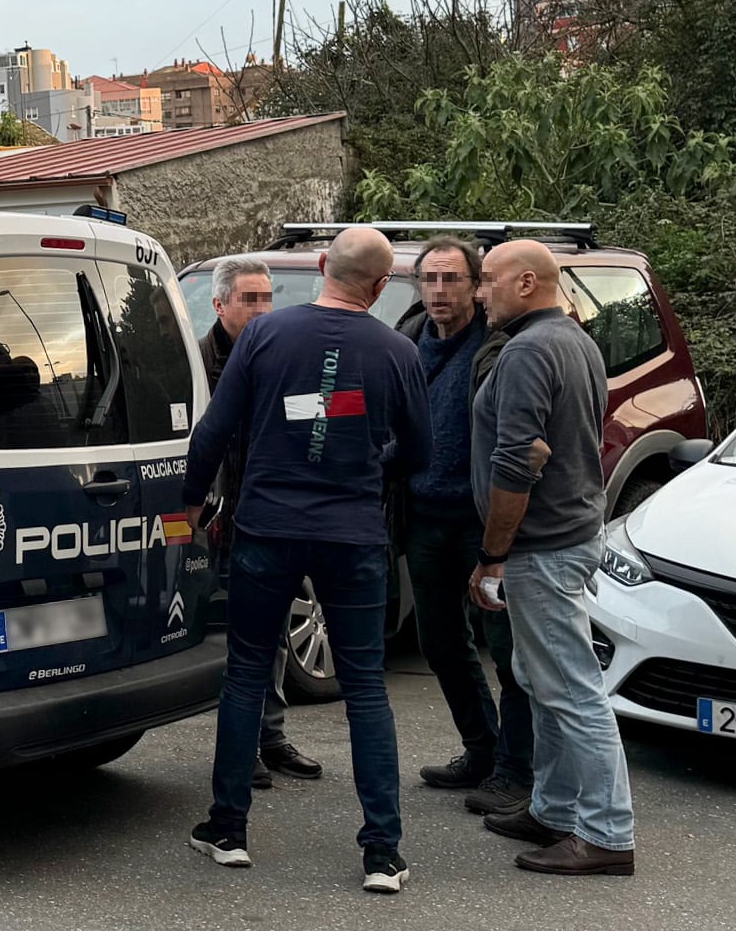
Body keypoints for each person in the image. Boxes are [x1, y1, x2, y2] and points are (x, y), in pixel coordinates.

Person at [181, 226, 429, 895]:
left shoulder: (263, 335)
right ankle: (382, 851)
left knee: (244, 673)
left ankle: (227, 828)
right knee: (367, 689)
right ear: (380, 286)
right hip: (352, 535)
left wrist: (185, 510)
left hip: (266, 529)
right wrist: (366, 461)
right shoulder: (398, 350)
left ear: (322, 266)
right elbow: (420, 453)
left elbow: (212, 432)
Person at [469, 239, 636, 876]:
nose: (481, 293)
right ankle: (554, 809)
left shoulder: (530, 350)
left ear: (528, 282)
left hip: (542, 546)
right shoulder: (573, 340)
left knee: (570, 687)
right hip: (565, 537)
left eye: (488, 280)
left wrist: (493, 554)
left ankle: (606, 834)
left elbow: (520, 459)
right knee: (543, 677)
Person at [393, 239, 534, 809]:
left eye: (452, 279)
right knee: (439, 643)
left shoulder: (499, 347)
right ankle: (481, 748)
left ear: (476, 285)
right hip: (425, 518)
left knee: (504, 649)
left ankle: (516, 770)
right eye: (430, 279)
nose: (440, 291)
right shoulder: (405, 345)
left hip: (483, 522)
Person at [196, 259, 322, 791]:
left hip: (271, 514)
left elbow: (309, 418)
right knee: (234, 639)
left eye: (268, 298)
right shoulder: (196, 362)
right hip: (217, 519)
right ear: (220, 305)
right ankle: (239, 747)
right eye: (250, 299)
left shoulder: (285, 356)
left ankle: (270, 736)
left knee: (269, 634)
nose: (262, 309)